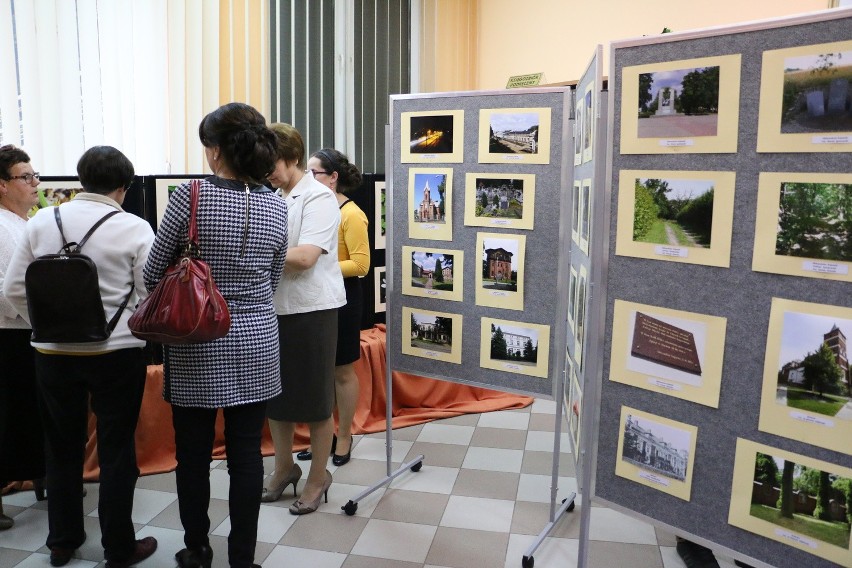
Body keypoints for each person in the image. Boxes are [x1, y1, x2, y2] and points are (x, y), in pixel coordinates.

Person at [143, 102, 288, 568]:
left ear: (216, 150)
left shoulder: (192, 197)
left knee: (193, 451)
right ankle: (243, 558)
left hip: (198, 338)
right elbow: (274, 275)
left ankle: (198, 548)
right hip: (258, 336)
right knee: (247, 451)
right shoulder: (275, 202)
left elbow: (152, 273)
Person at [3, 146, 157, 567]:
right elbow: (149, 295)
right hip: (117, 353)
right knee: (116, 449)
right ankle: (119, 548)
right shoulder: (136, 228)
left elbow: (14, 288)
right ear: (124, 186)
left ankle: (62, 542)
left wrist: (46, 322)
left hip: (52, 353)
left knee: (61, 446)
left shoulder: (41, 221)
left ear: (80, 180)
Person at [262, 123, 345, 514]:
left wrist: (252, 255)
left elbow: (306, 257)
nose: (267, 172)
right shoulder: (273, 194)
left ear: (293, 158)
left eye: (272, 163)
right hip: (273, 307)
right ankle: (283, 468)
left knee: (314, 399)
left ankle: (317, 476)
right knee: (274, 397)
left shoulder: (319, 198)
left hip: (313, 310)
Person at [295, 148, 369, 466]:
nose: (308, 178)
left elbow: (362, 265)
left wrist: (320, 266)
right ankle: (321, 435)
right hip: (315, 295)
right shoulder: (309, 207)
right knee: (317, 371)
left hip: (344, 297)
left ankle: (344, 435)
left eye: (315, 173)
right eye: (306, 172)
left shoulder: (351, 214)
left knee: (341, 370)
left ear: (333, 177)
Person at [0, 145, 45, 530]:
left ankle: (44, 477)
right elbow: (6, 290)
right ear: (2, 185)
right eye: (25, 177)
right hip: (9, 334)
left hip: (29, 331)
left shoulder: (28, 222)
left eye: (34, 176)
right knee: (9, 416)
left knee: (33, 412)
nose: (35, 183)